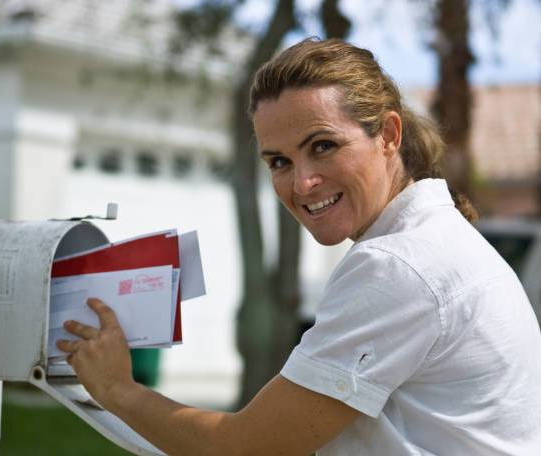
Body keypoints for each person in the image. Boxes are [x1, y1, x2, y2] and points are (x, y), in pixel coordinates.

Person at [57, 38, 541, 455]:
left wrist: (118, 389)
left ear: (389, 135)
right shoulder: (435, 239)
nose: (303, 182)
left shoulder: (397, 264)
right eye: (279, 161)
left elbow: (244, 448)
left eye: (323, 146)